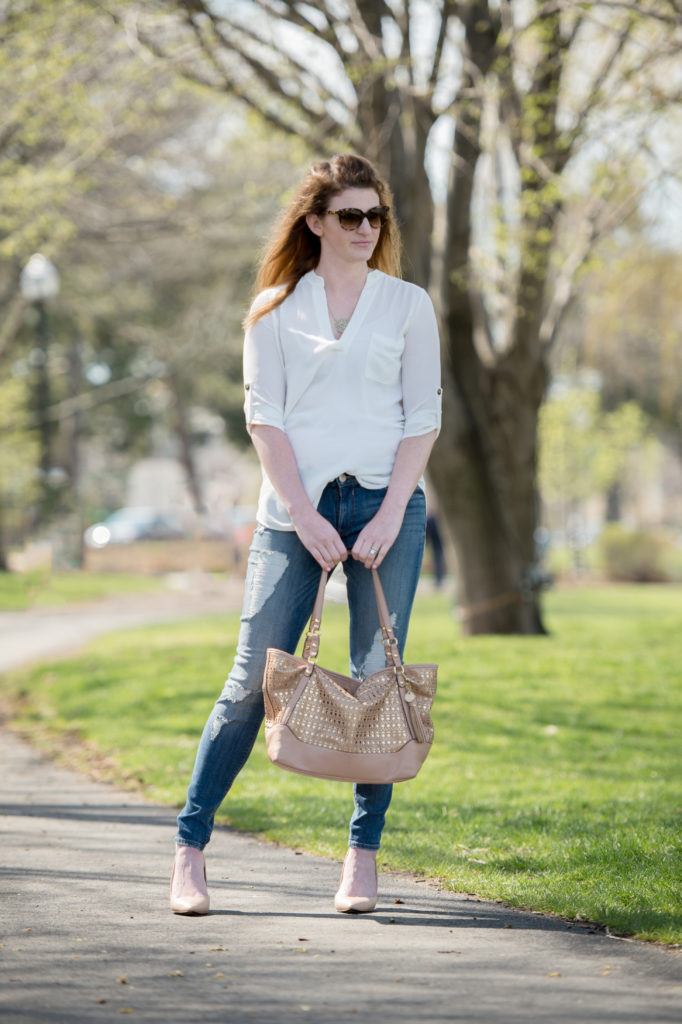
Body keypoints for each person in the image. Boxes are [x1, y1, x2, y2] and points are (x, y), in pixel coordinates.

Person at [170, 153, 442, 916]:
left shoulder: (407, 305)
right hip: (295, 513)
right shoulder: (275, 308)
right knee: (251, 680)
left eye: (375, 216)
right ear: (316, 222)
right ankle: (189, 850)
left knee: (375, 681)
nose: (365, 229)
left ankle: (362, 857)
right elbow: (266, 420)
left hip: (390, 508)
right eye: (350, 216)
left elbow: (422, 417)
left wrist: (390, 511)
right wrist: (305, 514)